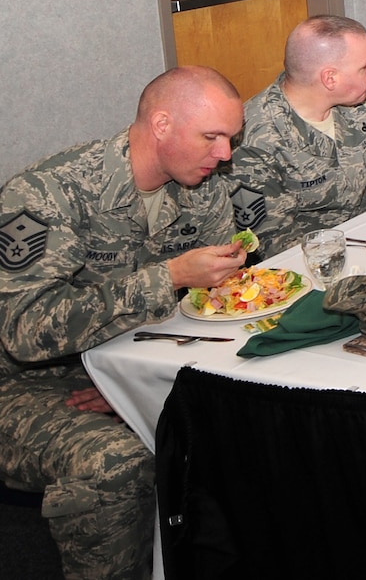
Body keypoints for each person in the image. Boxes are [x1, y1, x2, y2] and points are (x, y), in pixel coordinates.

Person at [0, 66, 248, 579]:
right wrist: (170, 276)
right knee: (118, 463)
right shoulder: (50, 194)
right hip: (31, 384)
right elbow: (23, 330)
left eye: (230, 138)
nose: (224, 155)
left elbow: (221, 299)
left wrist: (126, 381)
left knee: (240, 414)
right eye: (212, 137)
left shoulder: (202, 185)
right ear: (160, 125)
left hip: (131, 359)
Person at [226, 15, 366, 253]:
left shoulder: (354, 104)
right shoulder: (256, 138)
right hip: (312, 261)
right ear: (330, 78)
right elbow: (274, 242)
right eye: (364, 66)